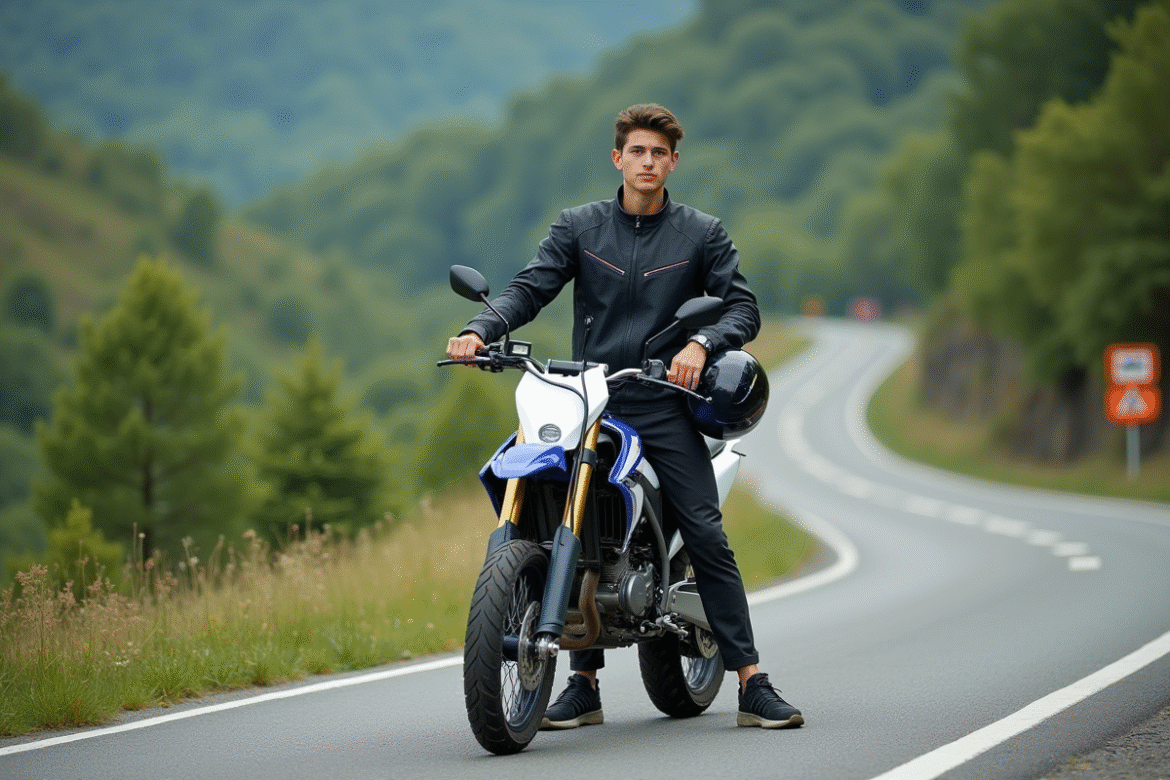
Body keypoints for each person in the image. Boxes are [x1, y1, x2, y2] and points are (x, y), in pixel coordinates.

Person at [446, 103, 803, 731]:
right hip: (586, 396)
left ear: (672, 162)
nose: (646, 162)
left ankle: (751, 681)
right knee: (566, 517)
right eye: (636, 151)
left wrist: (700, 346)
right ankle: (582, 684)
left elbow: (741, 309)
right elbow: (529, 288)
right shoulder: (580, 227)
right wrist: (480, 328)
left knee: (704, 528)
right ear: (618, 158)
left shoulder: (701, 234)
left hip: (661, 402)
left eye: (658, 154)